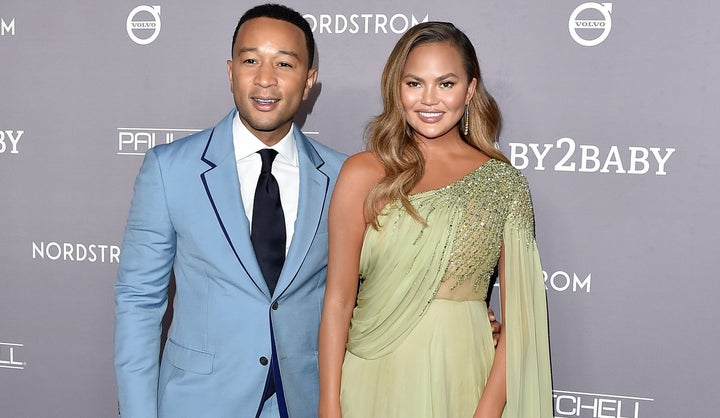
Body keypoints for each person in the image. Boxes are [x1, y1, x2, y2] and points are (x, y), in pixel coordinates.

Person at [113, 4, 346, 418]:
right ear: (230, 70)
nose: (265, 79)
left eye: (285, 63)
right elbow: (139, 302)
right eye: (251, 60)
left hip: (306, 402)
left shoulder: (345, 176)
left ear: (309, 80)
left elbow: (368, 289)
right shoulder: (170, 169)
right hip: (198, 402)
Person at [318, 21, 552, 418]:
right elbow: (338, 302)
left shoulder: (503, 184)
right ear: (397, 88)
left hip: (460, 375)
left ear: (470, 89)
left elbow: (521, 324)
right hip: (370, 374)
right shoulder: (362, 173)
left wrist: (487, 413)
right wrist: (329, 406)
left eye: (446, 84)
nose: (429, 99)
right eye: (414, 83)